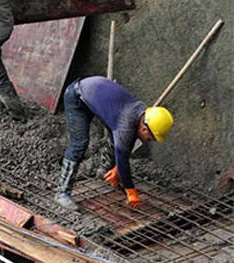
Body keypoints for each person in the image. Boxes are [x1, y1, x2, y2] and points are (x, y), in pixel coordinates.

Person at [56, 76, 174, 210]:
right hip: (77, 96)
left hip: (95, 93)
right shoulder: (127, 124)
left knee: (115, 138)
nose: (150, 140)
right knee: (80, 144)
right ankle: (62, 193)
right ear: (144, 128)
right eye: (151, 137)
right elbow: (123, 158)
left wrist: (117, 169)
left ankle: (104, 171)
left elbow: (126, 143)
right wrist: (131, 192)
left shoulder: (140, 112)